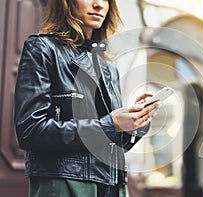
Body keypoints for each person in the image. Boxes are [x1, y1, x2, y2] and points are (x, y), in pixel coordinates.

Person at [14, 0, 160, 196]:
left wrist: (136, 121)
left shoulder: (109, 68)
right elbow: (31, 131)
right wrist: (111, 124)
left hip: (113, 186)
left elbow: (111, 144)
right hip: (66, 185)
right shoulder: (43, 49)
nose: (99, 5)